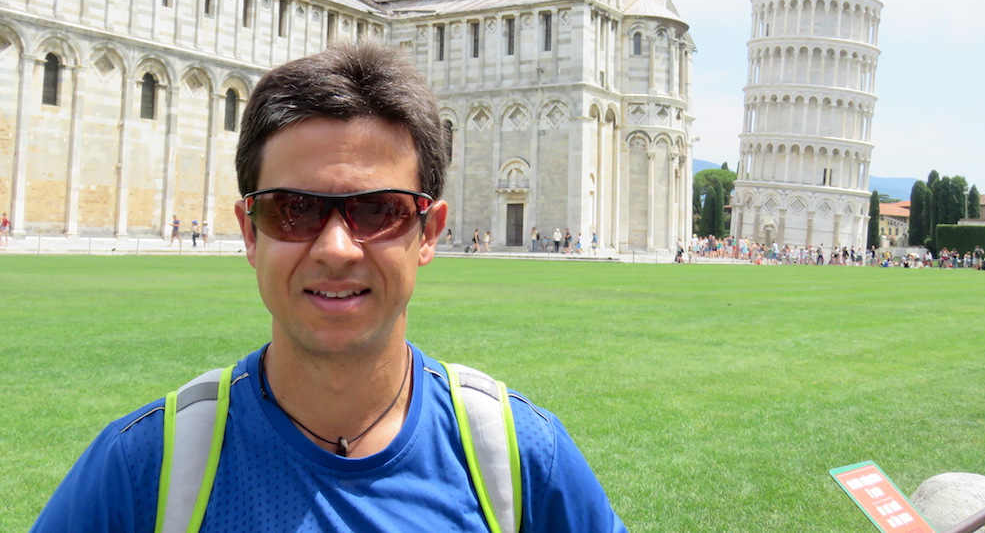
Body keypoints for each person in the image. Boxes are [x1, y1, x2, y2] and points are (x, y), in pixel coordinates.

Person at [31, 42, 626, 532]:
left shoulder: (523, 460)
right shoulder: (144, 469)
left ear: (428, 232)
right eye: (294, 210)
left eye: (379, 210)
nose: (336, 247)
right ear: (249, 232)